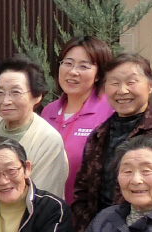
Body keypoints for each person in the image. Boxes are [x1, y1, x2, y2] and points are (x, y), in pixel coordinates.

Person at [69, 53, 152, 232]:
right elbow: (83, 190)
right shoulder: (100, 134)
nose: (122, 91)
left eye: (131, 82)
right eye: (114, 83)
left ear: (150, 86)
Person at [0, 55, 68, 202]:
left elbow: (43, 198)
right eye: (0, 93)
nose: (6, 101)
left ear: (37, 96)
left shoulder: (48, 139)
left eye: (16, 92)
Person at [38, 36, 115, 204]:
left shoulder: (109, 112)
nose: (73, 71)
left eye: (84, 66)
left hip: (89, 214)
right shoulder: (48, 111)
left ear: (98, 75)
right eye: (68, 63)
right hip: (47, 214)